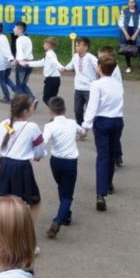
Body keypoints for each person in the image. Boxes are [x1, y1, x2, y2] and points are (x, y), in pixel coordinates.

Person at [0, 95, 45, 229]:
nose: (33, 108)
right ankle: (24, 236)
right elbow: (40, 151)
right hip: (22, 168)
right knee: (34, 202)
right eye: (32, 106)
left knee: (4, 202)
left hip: (4, 164)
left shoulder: (4, 124)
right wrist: (37, 156)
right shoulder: (32, 127)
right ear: (26, 111)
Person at [81, 55, 124, 211]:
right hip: (117, 121)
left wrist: (85, 126)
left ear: (99, 67)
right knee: (111, 154)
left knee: (103, 156)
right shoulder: (118, 84)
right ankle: (109, 183)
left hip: (102, 122)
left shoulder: (97, 84)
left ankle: (101, 193)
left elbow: (93, 106)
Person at [42, 97, 84, 239]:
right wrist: (82, 136)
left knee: (61, 186)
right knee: (67, 194)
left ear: (50, 111)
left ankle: (66, 215)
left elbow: (43, 141)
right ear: (65, 110)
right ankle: (58, 220)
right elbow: (82, 131)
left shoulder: (50, 126)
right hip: (70, 162)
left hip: (56, 162)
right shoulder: (72, 123)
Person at [59, 37, 98, 125]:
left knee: (90, 111)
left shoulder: (91, 58)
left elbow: (99, 68)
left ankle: (91, 126)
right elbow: (71, 65)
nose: (76, 48)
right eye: (76, 46)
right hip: (78, 88)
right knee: (77, 110)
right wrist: (65, 68)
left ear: (86, 47)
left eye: (79, 46)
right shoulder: (75, 56)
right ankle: (80, 127)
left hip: (89, 88)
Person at [27, 37, 62, 107]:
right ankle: (57, 112)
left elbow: (54, 61)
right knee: (51, 99)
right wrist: (28, 63)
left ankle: (57, 112)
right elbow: (41, 62)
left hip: (52, 80)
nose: (43, 45)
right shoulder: (50, 54)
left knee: (46, 98)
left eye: (45, 44)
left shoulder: (50, 54)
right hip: (55, 79)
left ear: (49, 45)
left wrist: (60, 67)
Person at [117, 0, 140, 74]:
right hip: (126, 31)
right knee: (127, 49)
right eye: (130, 2)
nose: (131, 4)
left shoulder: (139, 11)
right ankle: (128, 66)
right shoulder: (124, 11)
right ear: (128, 3)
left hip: (136, 31)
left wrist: (135, 34)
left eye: (133, 2)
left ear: (135, 3)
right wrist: (126, 34)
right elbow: (120, 23)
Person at [13, 22, 35, 101]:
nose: (13, 29)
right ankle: (32, 99)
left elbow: (20, 53)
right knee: (23, 84)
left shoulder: (19, 40)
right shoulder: (28, 39)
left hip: (22, 64)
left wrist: (18, 61)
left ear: (19, 30)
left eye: (15, 28)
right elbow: (27, 52)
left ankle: (21, 104)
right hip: (29, 63)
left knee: (19, 85)